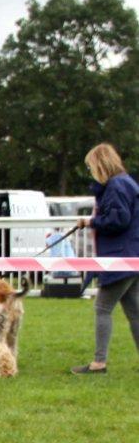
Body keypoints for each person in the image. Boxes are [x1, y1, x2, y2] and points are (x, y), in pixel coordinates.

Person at [71, 142, 139, 374]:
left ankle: (99, 362)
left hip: (120, 257)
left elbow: (118, 220)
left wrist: (91, 221)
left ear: (100, 164)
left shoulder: (116, 186)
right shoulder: (127, 183)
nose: (91, 172)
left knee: (102, 308)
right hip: (132, 256)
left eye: (91, 167)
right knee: (135, 313)